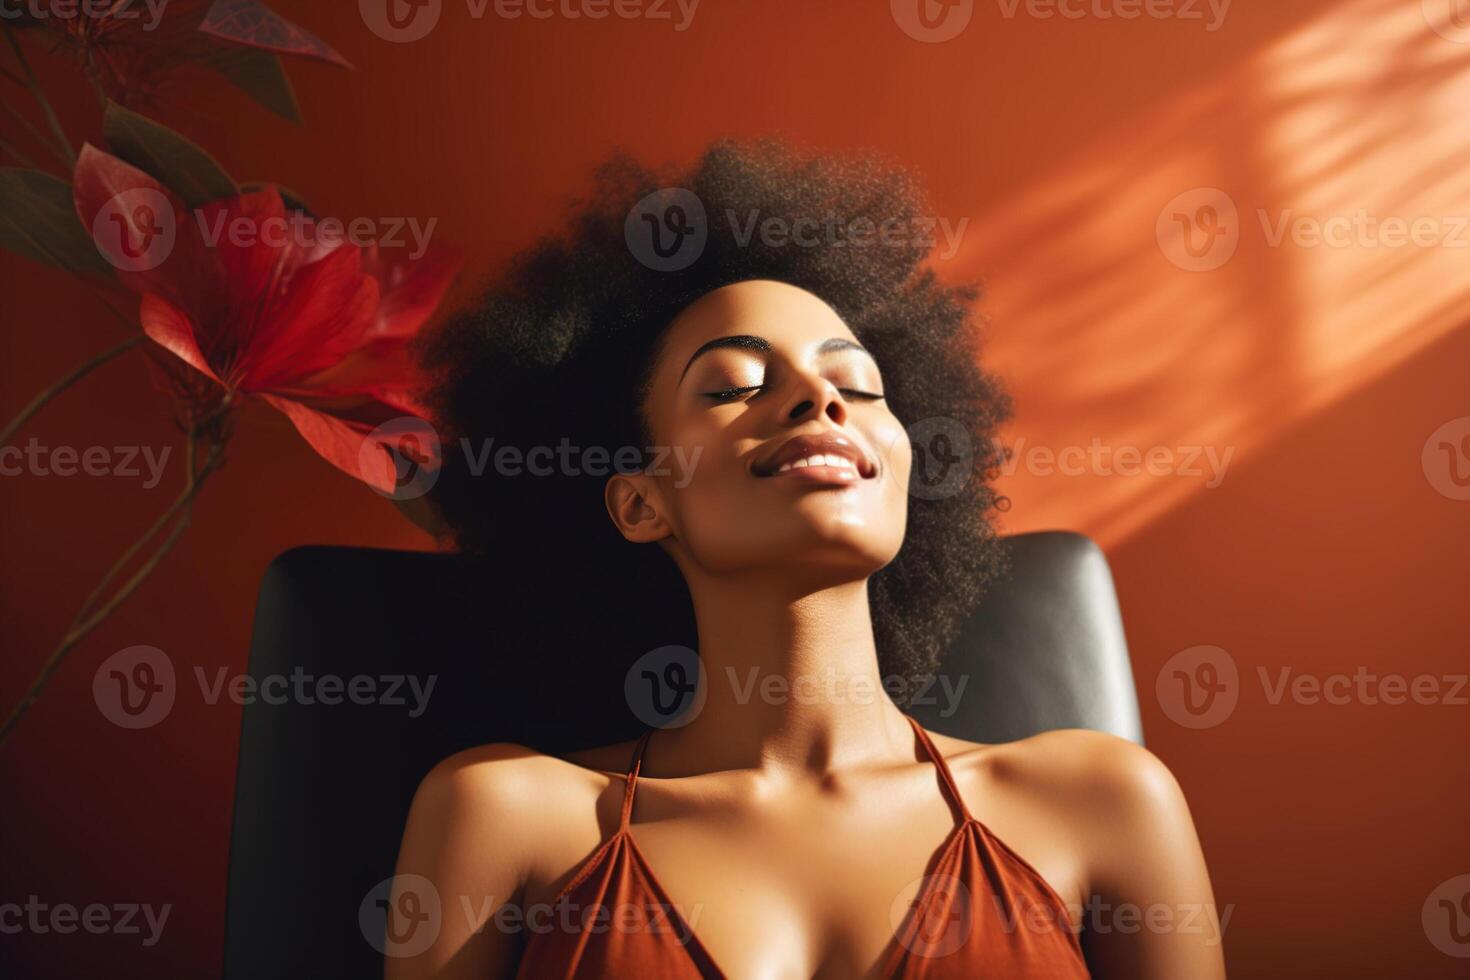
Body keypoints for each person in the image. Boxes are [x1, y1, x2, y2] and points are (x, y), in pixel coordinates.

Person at [388, 141, 1225, 978]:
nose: (818, 398)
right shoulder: (502, 815)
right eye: (731, 386)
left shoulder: (1104, 801)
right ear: (642, 503)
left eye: (857, 385)